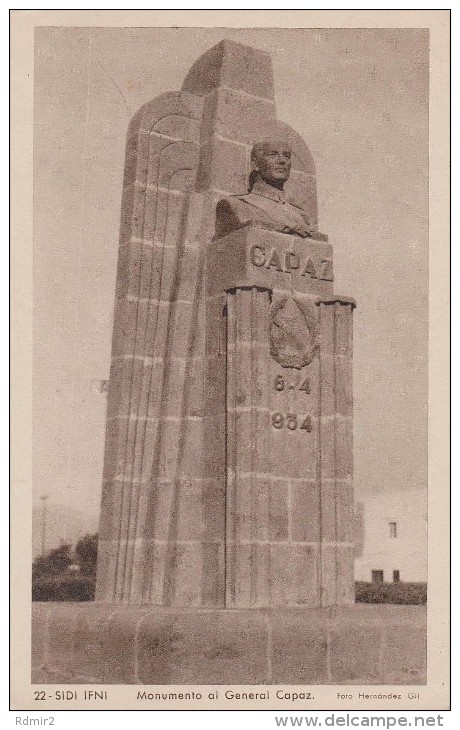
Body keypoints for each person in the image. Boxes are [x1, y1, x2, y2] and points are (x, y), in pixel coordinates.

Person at [215, 135, 319, 239]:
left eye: (286, 156)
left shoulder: (302, 216)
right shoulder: (235, 205)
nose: (282, 160)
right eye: (272, 155)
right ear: (255, 165)